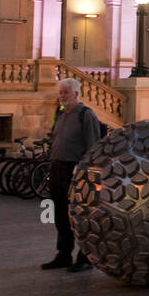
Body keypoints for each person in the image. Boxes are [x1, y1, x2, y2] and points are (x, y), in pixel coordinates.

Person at [41, 78, 103, 273]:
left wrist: (84, 172)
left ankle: (85, 257)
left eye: (66, 92)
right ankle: (63, 254)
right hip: (57, 169)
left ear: (76, 94)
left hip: (75, 171)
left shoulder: (86, 115)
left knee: (80, 216)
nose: (62, 96)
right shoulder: (60, 115)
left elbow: (93, 146)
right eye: (61, 92)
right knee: (60, 215)